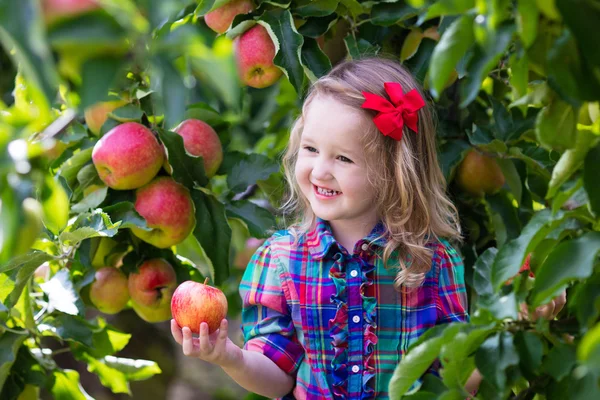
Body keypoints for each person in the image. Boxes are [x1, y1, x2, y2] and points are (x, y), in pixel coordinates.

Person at [170, 57, 566, 399]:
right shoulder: (281, 260)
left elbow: (454, 377)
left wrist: (518, 321)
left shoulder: (430, 261)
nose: (320, 170)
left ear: (394, 172)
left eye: (343, 157)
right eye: (310, 149)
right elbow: (278, 377)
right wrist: (229, 357)